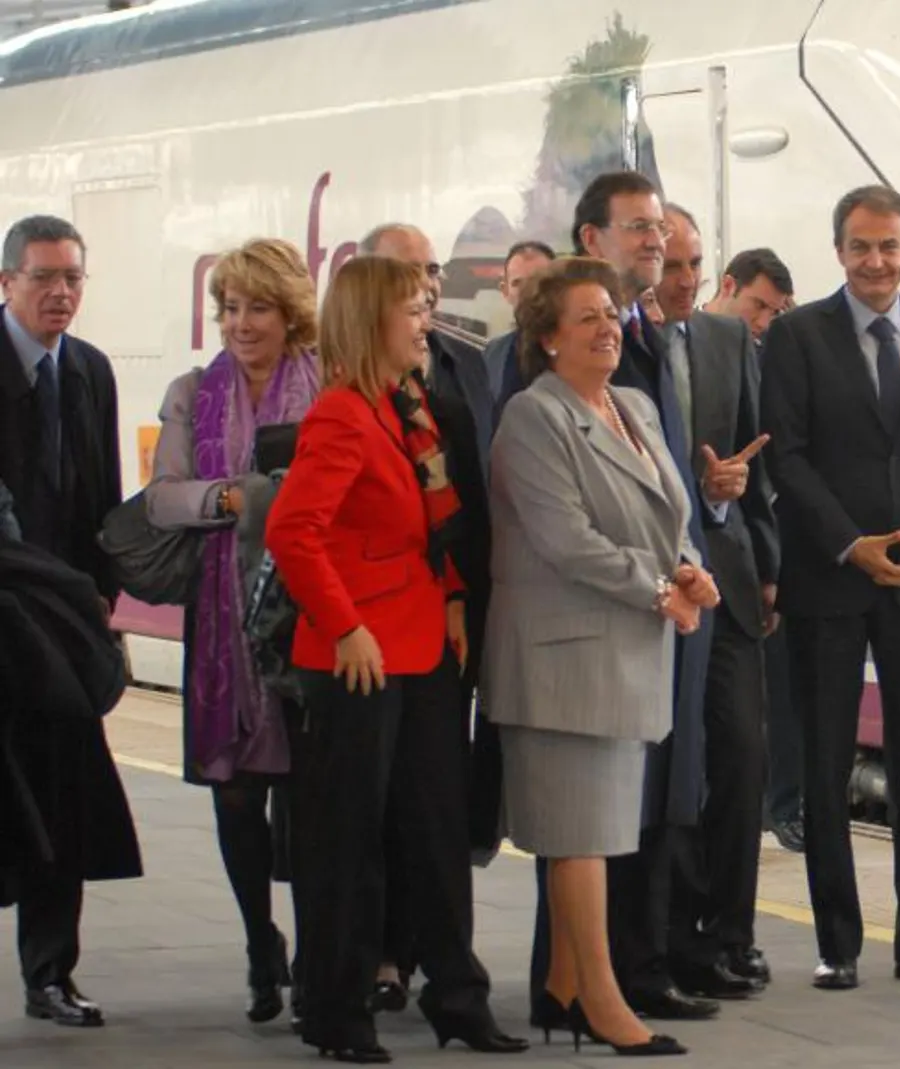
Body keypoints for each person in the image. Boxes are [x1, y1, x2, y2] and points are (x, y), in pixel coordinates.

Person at [263, 255, 527, 1063]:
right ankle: (338, 1010)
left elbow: (434, 520)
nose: (427, 323)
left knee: (437, 833)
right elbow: (292, 533)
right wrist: (345, 626)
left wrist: (452, 600)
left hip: (422, 648)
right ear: (373, 317)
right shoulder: (342, 414)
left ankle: (457, 996)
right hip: (359, 658)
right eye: (414, 310)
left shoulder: (407, 407)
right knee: (347, 840)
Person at [498, 170, 721, 1025]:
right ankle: (602, 1002)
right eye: (584, 319)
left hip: (625, 655)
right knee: (582, 841)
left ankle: (560, 991)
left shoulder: (633, 405)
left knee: (596, 834)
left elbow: (671, 515)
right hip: (564, 663)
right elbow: (566, 540)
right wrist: (665, 588)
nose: (606, 330)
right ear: (548, 338)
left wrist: (692, 567)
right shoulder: (535, 416)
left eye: (609, 317)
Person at [760, 185, 900, 991]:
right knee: (825, 763)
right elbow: (786, 456)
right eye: (861, 247)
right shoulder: (794, 337)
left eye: (889, 246)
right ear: (839, 251)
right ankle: (837, 943)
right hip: (830, 578)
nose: (876, 262)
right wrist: (850, 544)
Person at [147, 237, 322, 1023]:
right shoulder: (193, 392)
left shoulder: (329, 386)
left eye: (257, 307)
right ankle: (261, 943)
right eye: (228, 308)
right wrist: (236, 499)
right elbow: (163, 498)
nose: (240, 323)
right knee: (235, 798)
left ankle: (321, 952)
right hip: (224, 618)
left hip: (309, 611)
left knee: (316, 797)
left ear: (291, 314)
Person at [0, 214, 142, 1028]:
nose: (61, 292)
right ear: (8, 282)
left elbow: (100, 492)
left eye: (73, 279)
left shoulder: (89, 369)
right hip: (5, 605)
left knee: (60, 790)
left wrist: (103, 598)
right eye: (45, 277)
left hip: (61, 618)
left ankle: (50, 971)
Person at [357, 222, 498, 1009]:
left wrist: (470, 602)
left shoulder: (466, 368)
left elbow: (472, 497)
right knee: (377, 803)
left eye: (431, 272)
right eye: (408, 277)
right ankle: (378, 955)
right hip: (374, 631)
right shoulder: (345, 391)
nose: (428, 290)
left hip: (449, 622)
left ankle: (439, 963)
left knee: (438, 799)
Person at [655, 204, 779, 992]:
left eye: (696, 263)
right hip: (657, 589)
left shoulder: (727, 338)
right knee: (672, 770)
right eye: (672, 265)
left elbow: (753, 463)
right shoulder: (622, 344)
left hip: (726, 581)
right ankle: (673, 938)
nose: (686, 279)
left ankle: (732, 933)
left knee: (740, 757)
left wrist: (745, 524)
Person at [703, 250, 803, 855]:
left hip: (760, 546)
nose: (765, 320)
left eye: (777, 311)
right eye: (759, 305)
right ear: (728, 286)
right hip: (705, 546)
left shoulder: (768, 360)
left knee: (781, 690)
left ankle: (784, 806)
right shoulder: (688, 347)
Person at [483, 240, 556, 395]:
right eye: (518, 284)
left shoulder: (579, 349)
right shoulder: (493, 353)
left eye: (538, 282)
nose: (528, 292)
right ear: (505, 291)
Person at [701, 248, 795, 343]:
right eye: (759, 305)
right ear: (728, 286)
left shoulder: (766, 350)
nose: (764, 324)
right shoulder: (688, 342)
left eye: (774, 312)